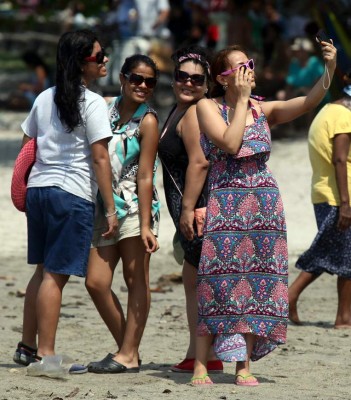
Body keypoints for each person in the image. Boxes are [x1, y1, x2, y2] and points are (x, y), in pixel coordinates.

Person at [191, 39, 337, 386]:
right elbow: (229, 142)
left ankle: (243, 365)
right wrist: (241, 101)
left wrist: (330, 68)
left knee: (257, 283)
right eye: (241, 68)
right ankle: (201, 362)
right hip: (226, 201)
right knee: (217, 281)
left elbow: (308, 102)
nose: (249, 72)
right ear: (223, 78)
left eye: (251, 65)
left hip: (264, 204)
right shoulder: (206, 106)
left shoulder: (262, 108)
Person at [12, 29, 118, 374]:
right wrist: (111, 206)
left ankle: (28, 347)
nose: (104, 61)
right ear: (81, 63)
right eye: (98, 56)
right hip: (71, 193)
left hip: (39, 190)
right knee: (55, 277)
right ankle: (46, 356)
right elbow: (100, 158)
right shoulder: (94, 103)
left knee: (43, 271)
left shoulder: (45, 98)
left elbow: (28, 142)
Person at [85, 54, 160, 373]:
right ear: (123, 78)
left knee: (135, 280)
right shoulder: (102, 106)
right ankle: (128, 350)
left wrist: (146, 224)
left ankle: (127, 354)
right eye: (136, 78)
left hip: (135, 208)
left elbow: (145, 175)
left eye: (149, 82)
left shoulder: (149, 121)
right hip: (104, 205)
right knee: (95, 282)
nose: (142, 85)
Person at [158, 45, 223, 373]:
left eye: (197, 79)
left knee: (200, 285)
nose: (188, 82)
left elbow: (200, 162)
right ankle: (197, 351)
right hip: (190, 210)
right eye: (182, 76)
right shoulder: (179, 110)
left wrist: (186, 210)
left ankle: (207, 355)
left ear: (208, 84)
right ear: (172, 79)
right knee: (192, 281)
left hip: (196, 210)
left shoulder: (197, 111)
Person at [288, 70, 351, 329]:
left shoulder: (328, 111)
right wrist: (346, 203)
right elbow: (339, 159)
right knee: (340, 256)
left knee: (339, 255)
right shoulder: (344, 116)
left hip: (327, 193)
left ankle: (343, 317)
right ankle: (342, 317)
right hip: (339, 197)